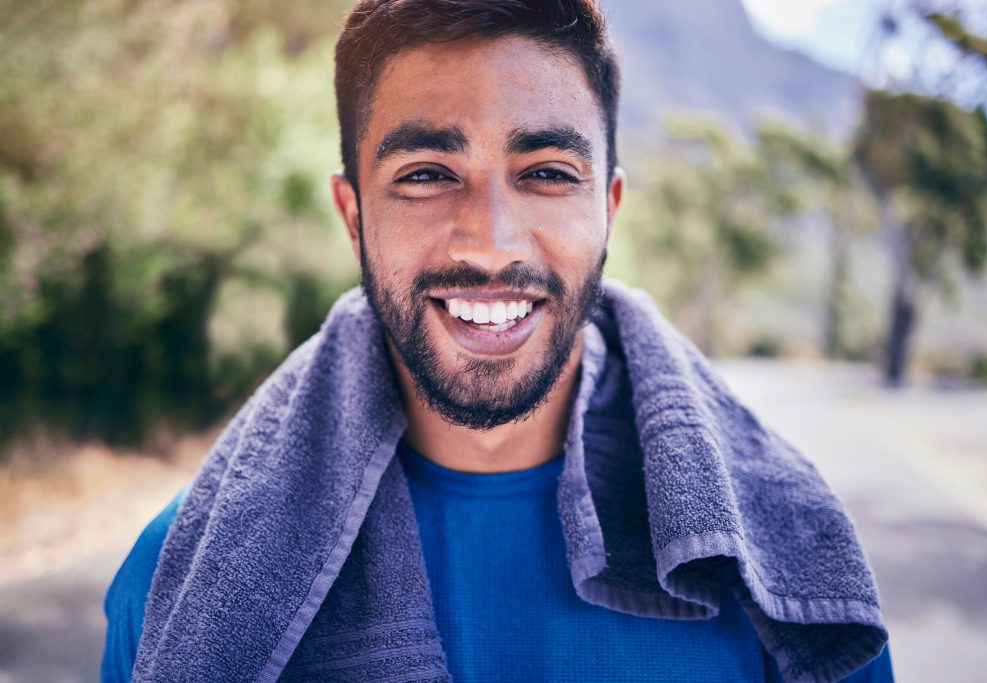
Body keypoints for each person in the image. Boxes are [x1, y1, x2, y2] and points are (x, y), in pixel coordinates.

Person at [102, 1, 895, 681]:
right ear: (353, 219)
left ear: (608, 209)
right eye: (425, 173)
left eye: (547, 172)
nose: (488, 242)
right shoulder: (179, 579)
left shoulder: (789, 574)